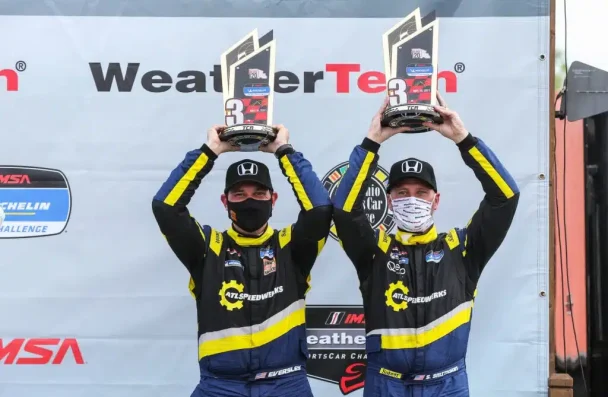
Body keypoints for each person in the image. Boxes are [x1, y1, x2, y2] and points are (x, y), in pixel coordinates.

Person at [332, 96, 520, 397]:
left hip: (446, 385)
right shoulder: (374, 250)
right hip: (385, 384)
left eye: (421, 192)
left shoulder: (462, 248)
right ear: (390, 201)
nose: (412, 199)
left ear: (436, 200)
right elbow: (343, 210)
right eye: (403, 192)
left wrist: (463, 139)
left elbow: (506, 196)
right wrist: (372, 142)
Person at [152, 125, 332, 397]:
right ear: (225, 202)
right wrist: (210, 151)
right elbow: (166, 207)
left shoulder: (291, 246)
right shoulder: (207, 248)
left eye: (259, 194)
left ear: (273, 199)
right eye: (240, 195)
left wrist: (284, 152)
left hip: (286, 385)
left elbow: (319, 210)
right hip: (220, 385)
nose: (250, 201)